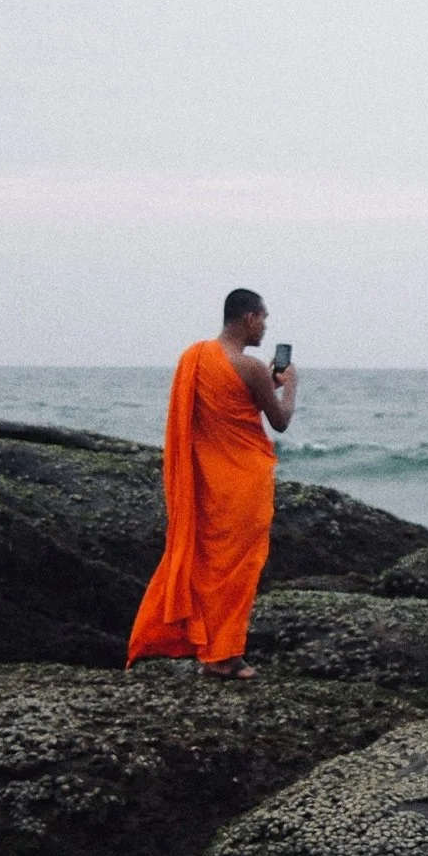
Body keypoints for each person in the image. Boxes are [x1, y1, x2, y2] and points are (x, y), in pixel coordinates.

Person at [126, 288, 298, 679]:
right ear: (249, 317)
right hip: (244, 484)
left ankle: (218, 652)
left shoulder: (195, 357)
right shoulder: (251, 367)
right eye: (264, 319)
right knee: (238, 569)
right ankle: (223, 656)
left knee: (211, 567)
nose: (266, 328)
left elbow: (225, 407)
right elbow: (281, 420)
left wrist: (266, 385)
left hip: (209, 484)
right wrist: (290, 386)